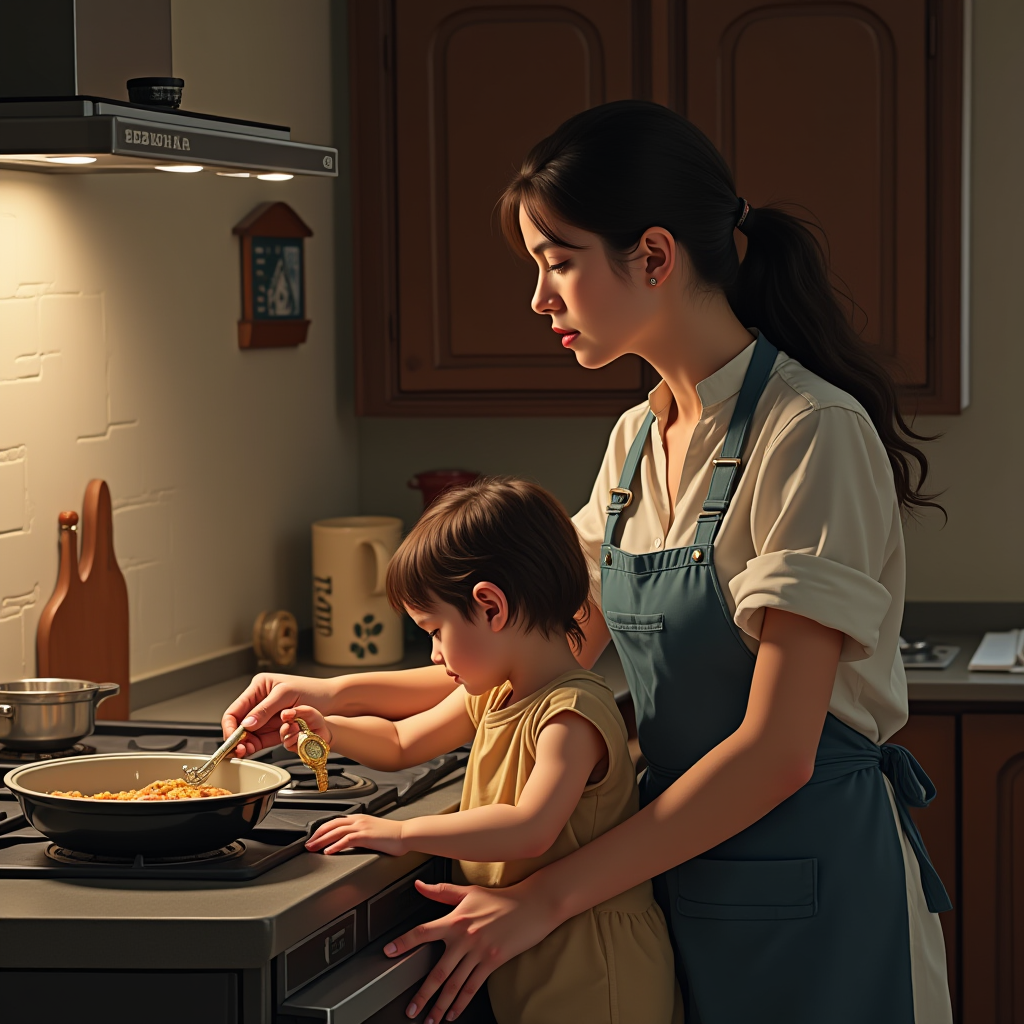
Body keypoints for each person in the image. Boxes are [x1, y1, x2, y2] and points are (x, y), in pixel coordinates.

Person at [224, 100, 953, 1024]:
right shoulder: (636, 442)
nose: (538, 299)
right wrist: (324, 697)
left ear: (653, 257)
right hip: (679, 877)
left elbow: (775, 754)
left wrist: (542, 899)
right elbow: (515, 668)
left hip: (817, 901)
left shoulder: (811, 434)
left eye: (556, 262)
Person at [279, 477, 679, 1024]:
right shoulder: (495, 694)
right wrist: (330, 729)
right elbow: (401, 741)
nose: (436, 654)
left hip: (595, 965)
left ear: (491, 607)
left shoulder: (570, 713)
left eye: (435, 630)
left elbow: (529, 825)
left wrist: (399, 832)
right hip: (540, 953)